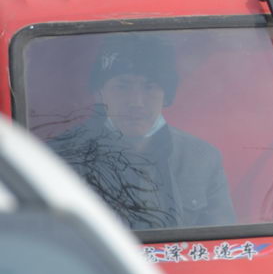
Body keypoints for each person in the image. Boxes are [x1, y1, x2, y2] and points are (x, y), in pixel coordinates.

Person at [49, 35, 235, 231]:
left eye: (150, 87)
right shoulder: (61, 156)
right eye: (122, 86)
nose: (136, 102)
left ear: (166, 95)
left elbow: (223, 242)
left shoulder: (202, 158)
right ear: (100, 93)